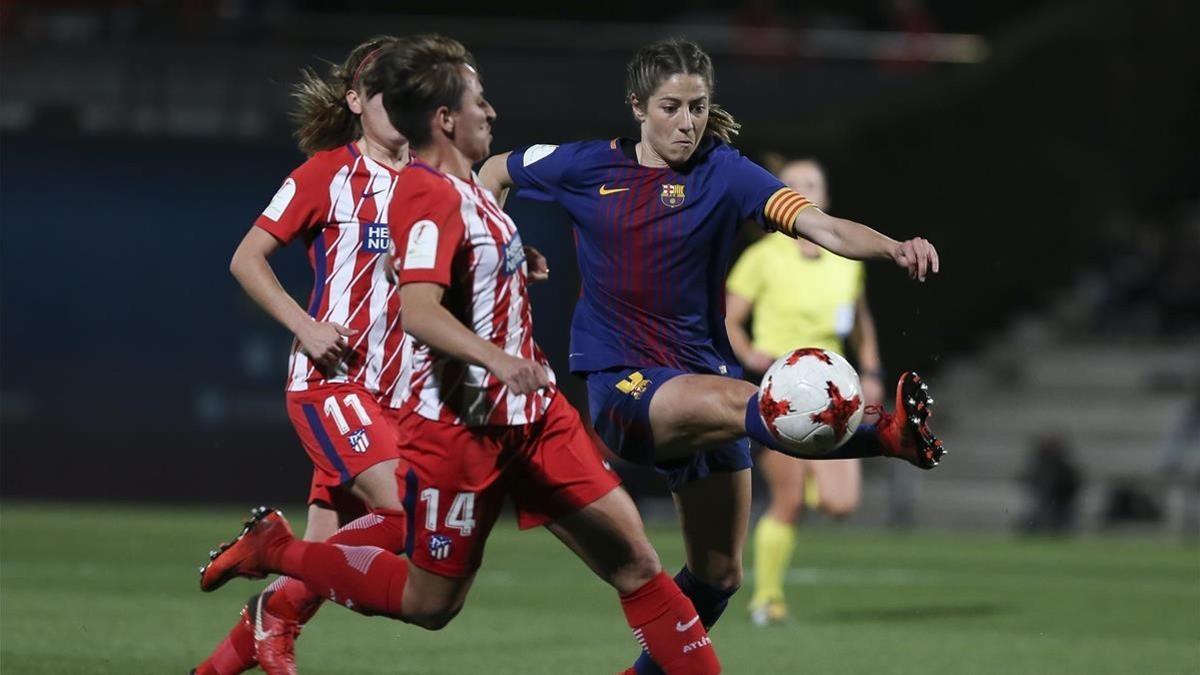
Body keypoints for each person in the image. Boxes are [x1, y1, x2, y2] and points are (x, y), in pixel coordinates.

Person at [199, 35, 723, 675]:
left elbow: (416, 268)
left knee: (637, 561)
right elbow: (418, 309)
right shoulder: (415, 190)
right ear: (445, 118)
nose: (493, 113)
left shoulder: (465, 188)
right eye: (479, 102)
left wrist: (505, 265)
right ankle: (275, 559)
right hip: (451, 420)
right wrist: (496, 360)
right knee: (428, 600)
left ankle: (263, 607)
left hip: (528, 415)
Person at [478, 38, 944, 675]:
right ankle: (882, 435)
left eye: (698, 106)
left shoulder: (726, 173)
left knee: (718, 576)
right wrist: (499, 248)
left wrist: (893, 246)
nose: (687, 121)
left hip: (705, 385)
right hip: (626, 389)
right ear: (637, 106)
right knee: (754, 400)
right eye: (671, 107)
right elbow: (494, 170)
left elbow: (824, 227)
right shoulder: (583, 166)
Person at [192, 36, 416, 675]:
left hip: (398, 398)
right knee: (408, 516)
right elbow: (246, 257)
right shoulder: (328, 174)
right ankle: (271, 555)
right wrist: (307, 325)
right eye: (386, 90)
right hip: (335, 385)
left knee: (317, 575)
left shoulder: (436, 182)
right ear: (355, 101)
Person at [724, 157, 886, 626]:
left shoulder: (844, 258)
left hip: (837, 393)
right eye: (795, 185)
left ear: (827, 195)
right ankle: (767, 601)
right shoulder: (763, 256)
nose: (806, 191)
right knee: (788, 500)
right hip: (784, 392)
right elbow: (728, 318)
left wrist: (872, 368)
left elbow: (861, 320)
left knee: (841, 504)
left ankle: (808, 469)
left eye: (813, 183)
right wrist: (751, 353)